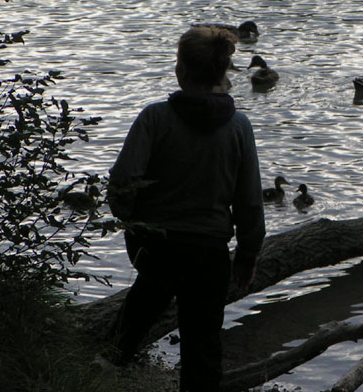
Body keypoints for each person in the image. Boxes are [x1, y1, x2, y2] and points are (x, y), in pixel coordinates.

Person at [107, 25, 266, 392]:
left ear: (181, 71)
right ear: (222, 72)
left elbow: (122, 184)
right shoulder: (239, 126)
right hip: (209, 254)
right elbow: (249, 201)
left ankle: (95, 372)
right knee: (204, 347)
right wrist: (247, 253)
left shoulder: (155, 118)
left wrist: (132, 223)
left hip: (156, 248)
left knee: (129, 328)